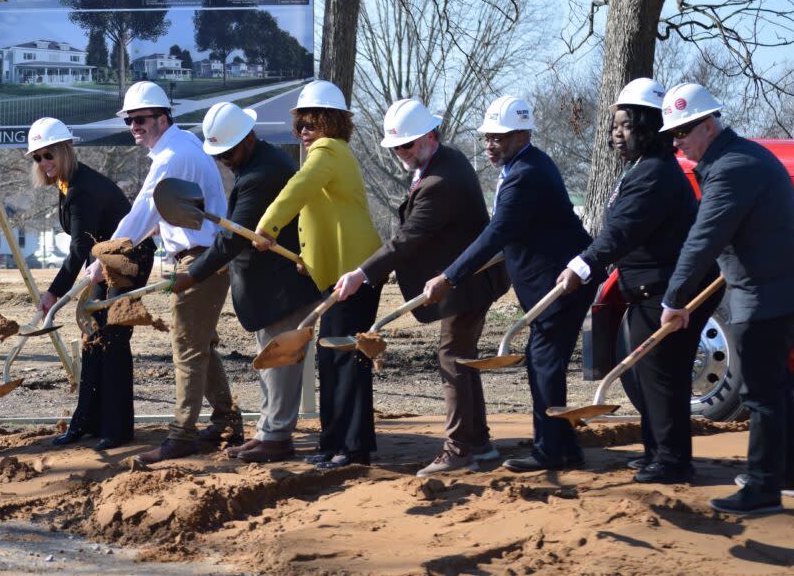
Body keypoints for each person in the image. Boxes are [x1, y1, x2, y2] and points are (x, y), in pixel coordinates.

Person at [659, 83, 794, 514]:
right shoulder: (743, 155)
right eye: (672, 135)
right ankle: (790, 477)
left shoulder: (732, 167)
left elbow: (703, 239)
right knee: (776, 387)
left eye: (682, 132)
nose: (676, 142)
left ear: (708, 126)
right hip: (788, 287)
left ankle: (762, 487)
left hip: (767, 294)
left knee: (760, 393)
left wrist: (673, 299)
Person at [555, 79, 722, 484]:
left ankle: (671, 461)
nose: (616, 132)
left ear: (649, 126)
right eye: (614, 125)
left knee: (663, 376)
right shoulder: (642, 170)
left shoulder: (655, 175)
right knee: (651, 374)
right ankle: (657, 453)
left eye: (625, 125)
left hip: (668, 291)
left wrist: (583, 264)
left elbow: (622, 232)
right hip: (651, 289)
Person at [424, 95, 601, 472]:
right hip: (550, 282)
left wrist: (449, 276)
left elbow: (497, 233)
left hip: (561, 284)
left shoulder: (526, 174)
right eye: (487, 137)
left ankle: (552, 451)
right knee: (542, 363)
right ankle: (563, 446)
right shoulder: (522, 166)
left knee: (543, 364)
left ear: (522, 134)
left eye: (499, 138)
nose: (490, 145)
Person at [334, 99, 510, 477]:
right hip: (464, 278)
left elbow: (408, 238)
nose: (401, 153)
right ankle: (479, 444)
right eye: (397, 146)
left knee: (453, 358)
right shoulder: (442, 162)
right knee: (460, 358)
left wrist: (361, 273)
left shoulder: (439, 182)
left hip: (467, 282)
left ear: (430, 136)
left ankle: (460, 447)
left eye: (407, 145)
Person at [84, 82, 240, 462]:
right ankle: (225, 420)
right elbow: (161, 213)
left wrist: (105, 255)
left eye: (141, 119)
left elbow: (143, 211)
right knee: (199, 342)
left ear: (163, 117)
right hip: (200, 255)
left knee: (186, 348)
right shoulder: (181, 146)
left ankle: (182, 434)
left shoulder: (172, 156)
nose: (134, 126)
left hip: (200, 258)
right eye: (129, 120)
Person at [170, 102, 322, 462]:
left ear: (248, 138)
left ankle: (277, 437)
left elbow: (234, 237)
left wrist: (193, 273)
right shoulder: (257, 162)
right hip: (269, 287)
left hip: (280, 286)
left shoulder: (261, 175)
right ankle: (269, 430)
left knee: (280, 361)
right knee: (270, 360)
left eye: (229, 151)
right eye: (219, 154)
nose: (225, 159)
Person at [254, 80, 382, 470]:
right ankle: (334, 444)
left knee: (343, 358)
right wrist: (307, 258)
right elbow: (323, 214)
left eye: (312, 123)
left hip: (355, 273)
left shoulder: (328, 151)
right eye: (300, 125)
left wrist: (267, 227)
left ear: (331, 123)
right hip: (342, 271)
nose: (305, 132)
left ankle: (351, 448)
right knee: (334, 358)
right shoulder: (331, 153)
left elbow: (299, 190)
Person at [26, 117, 154, 451]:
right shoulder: (68, 185)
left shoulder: (83, 188)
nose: (44, 163)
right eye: (38, 157)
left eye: (49, 154)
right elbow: (87, 249)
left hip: (127, 263)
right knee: (92, 338)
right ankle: (87, 422)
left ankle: (117, 429)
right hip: (103, 262)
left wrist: (54, 292)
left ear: (65, 150)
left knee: (111, 339)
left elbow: (80, 248)